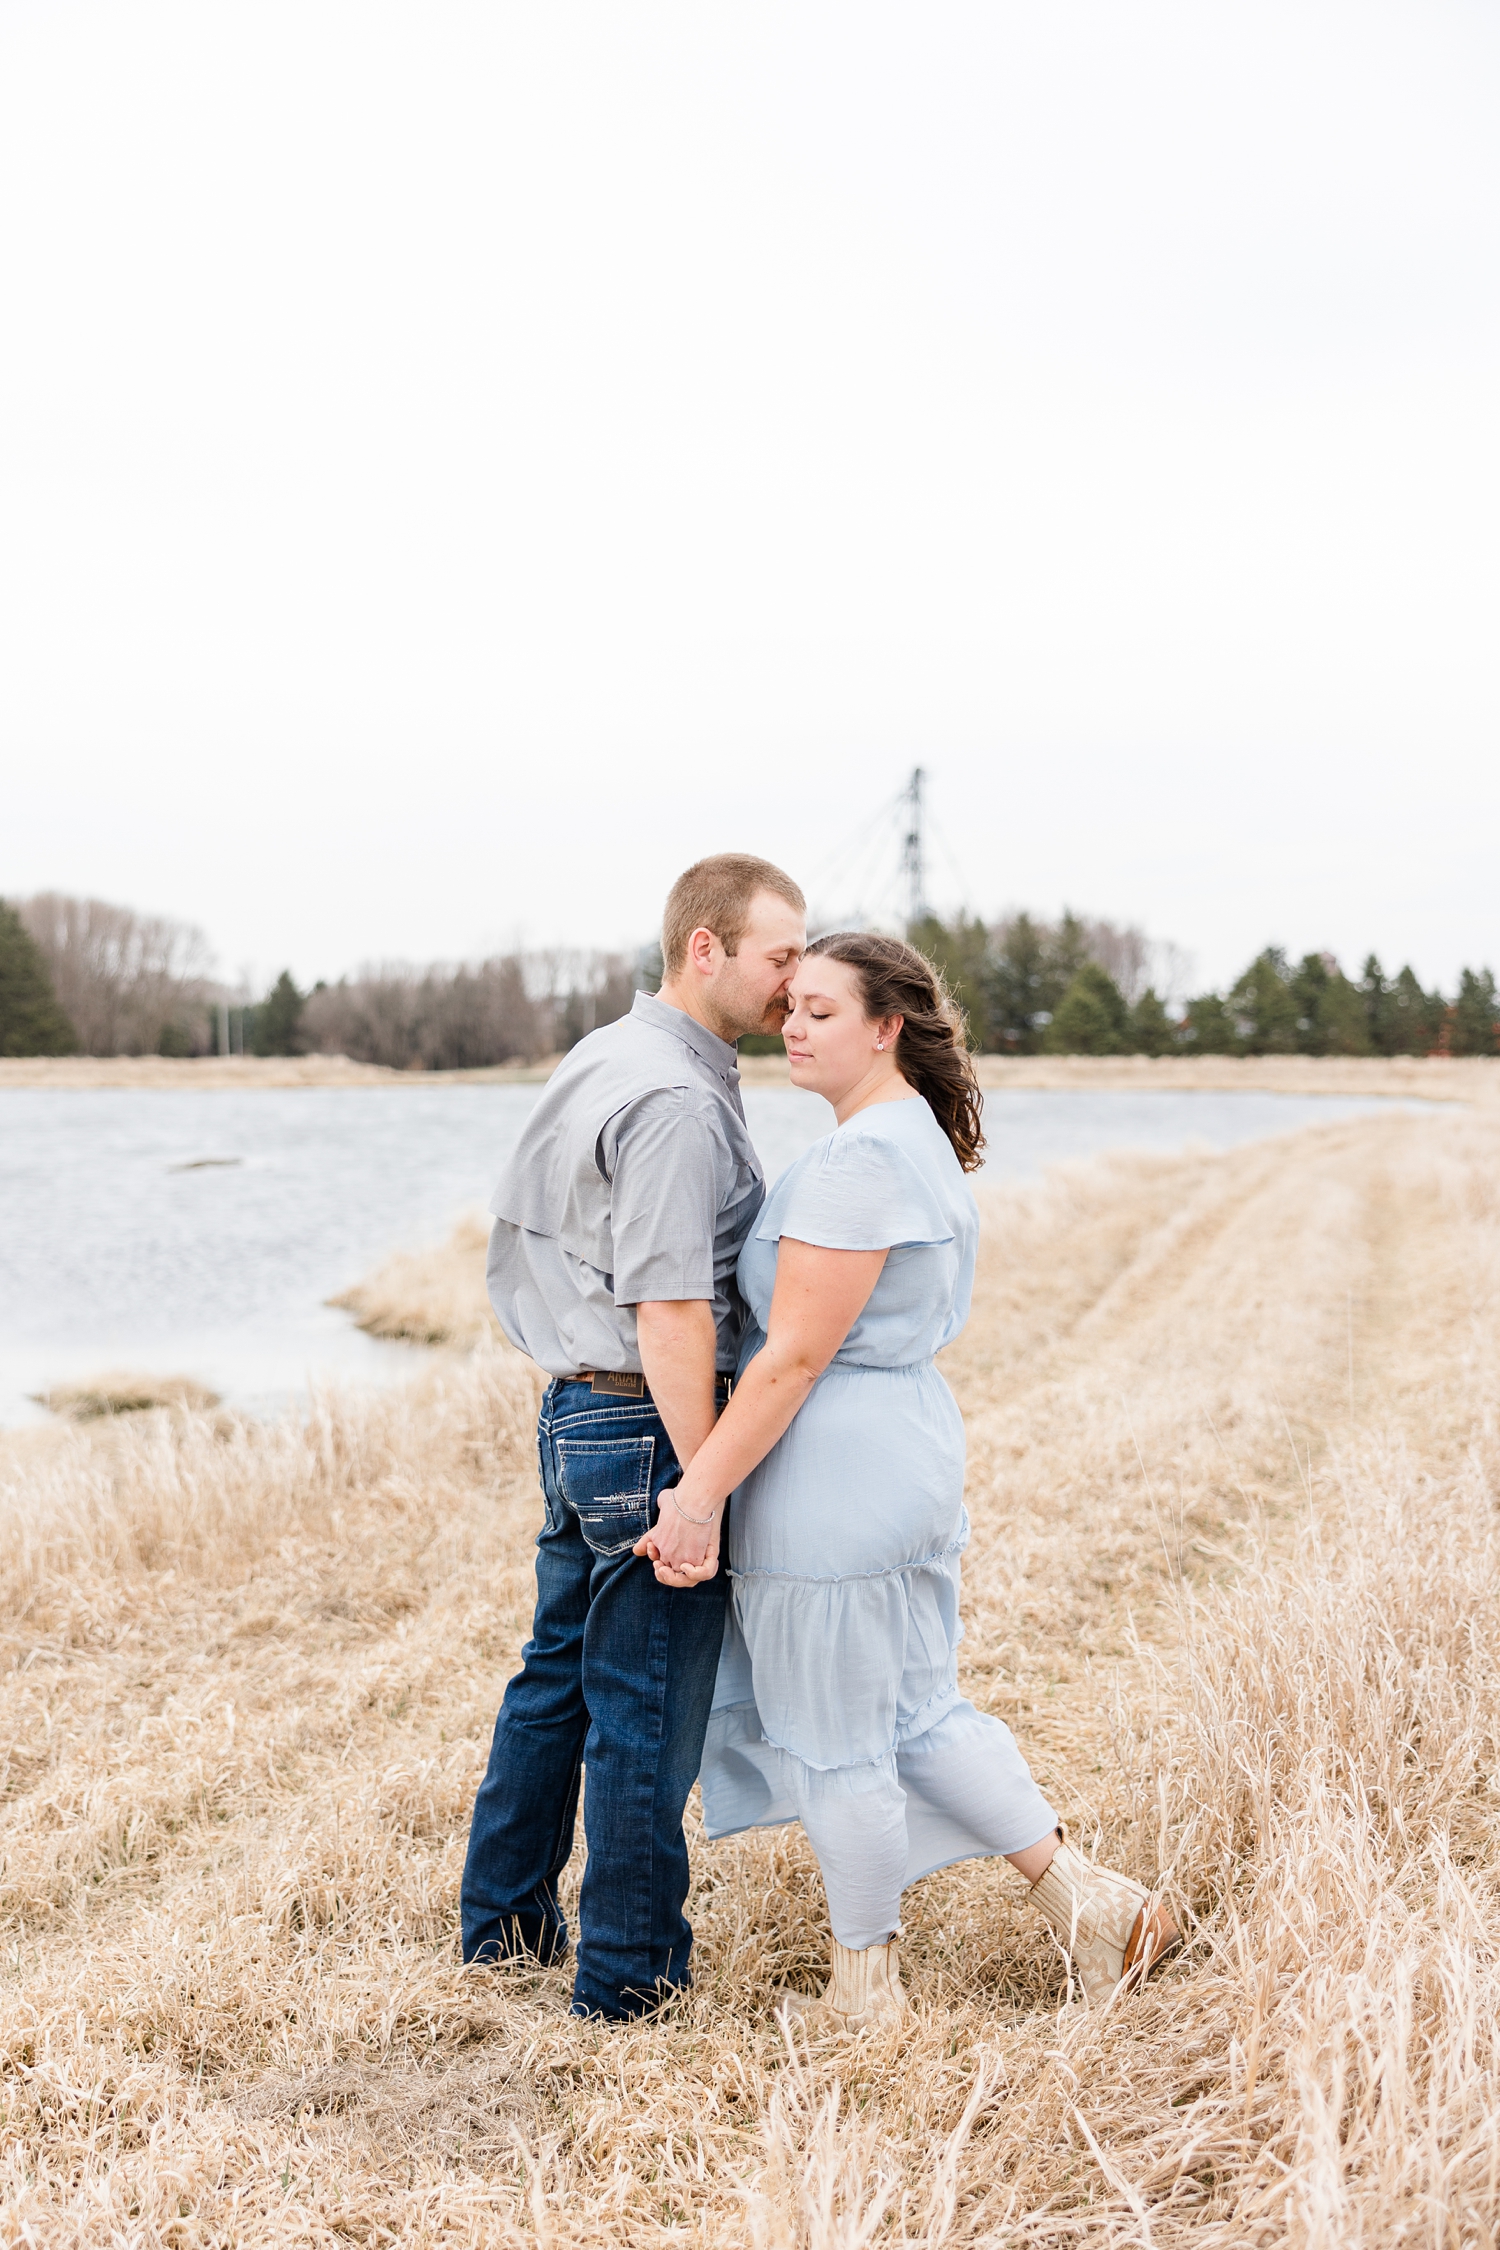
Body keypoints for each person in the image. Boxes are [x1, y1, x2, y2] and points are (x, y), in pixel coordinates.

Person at [638, 931, 1179, 2027]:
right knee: (916, 1713)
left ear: (887, 1027)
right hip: (896, 1449)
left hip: (835, 1472)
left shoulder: (862, 1161)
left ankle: (865, 1992)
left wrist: (698, 1497)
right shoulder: (902, 1135)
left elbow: (792, 1359)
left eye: (822, 1011)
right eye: (789, 1006)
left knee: (840, 1739)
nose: (792, 1027)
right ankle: (1101, 1912)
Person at [461, 853, 807, 2021]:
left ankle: (503, 1931)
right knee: (642, 1711)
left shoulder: (610, 1052)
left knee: (557, 1681)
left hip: (580, 1407)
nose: (796, 982)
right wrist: (702, 1484)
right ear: (706, 948)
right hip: (647, 1419)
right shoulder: (674, 1098)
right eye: (780, 956)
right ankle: (627, 1982)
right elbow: (670, 1307)